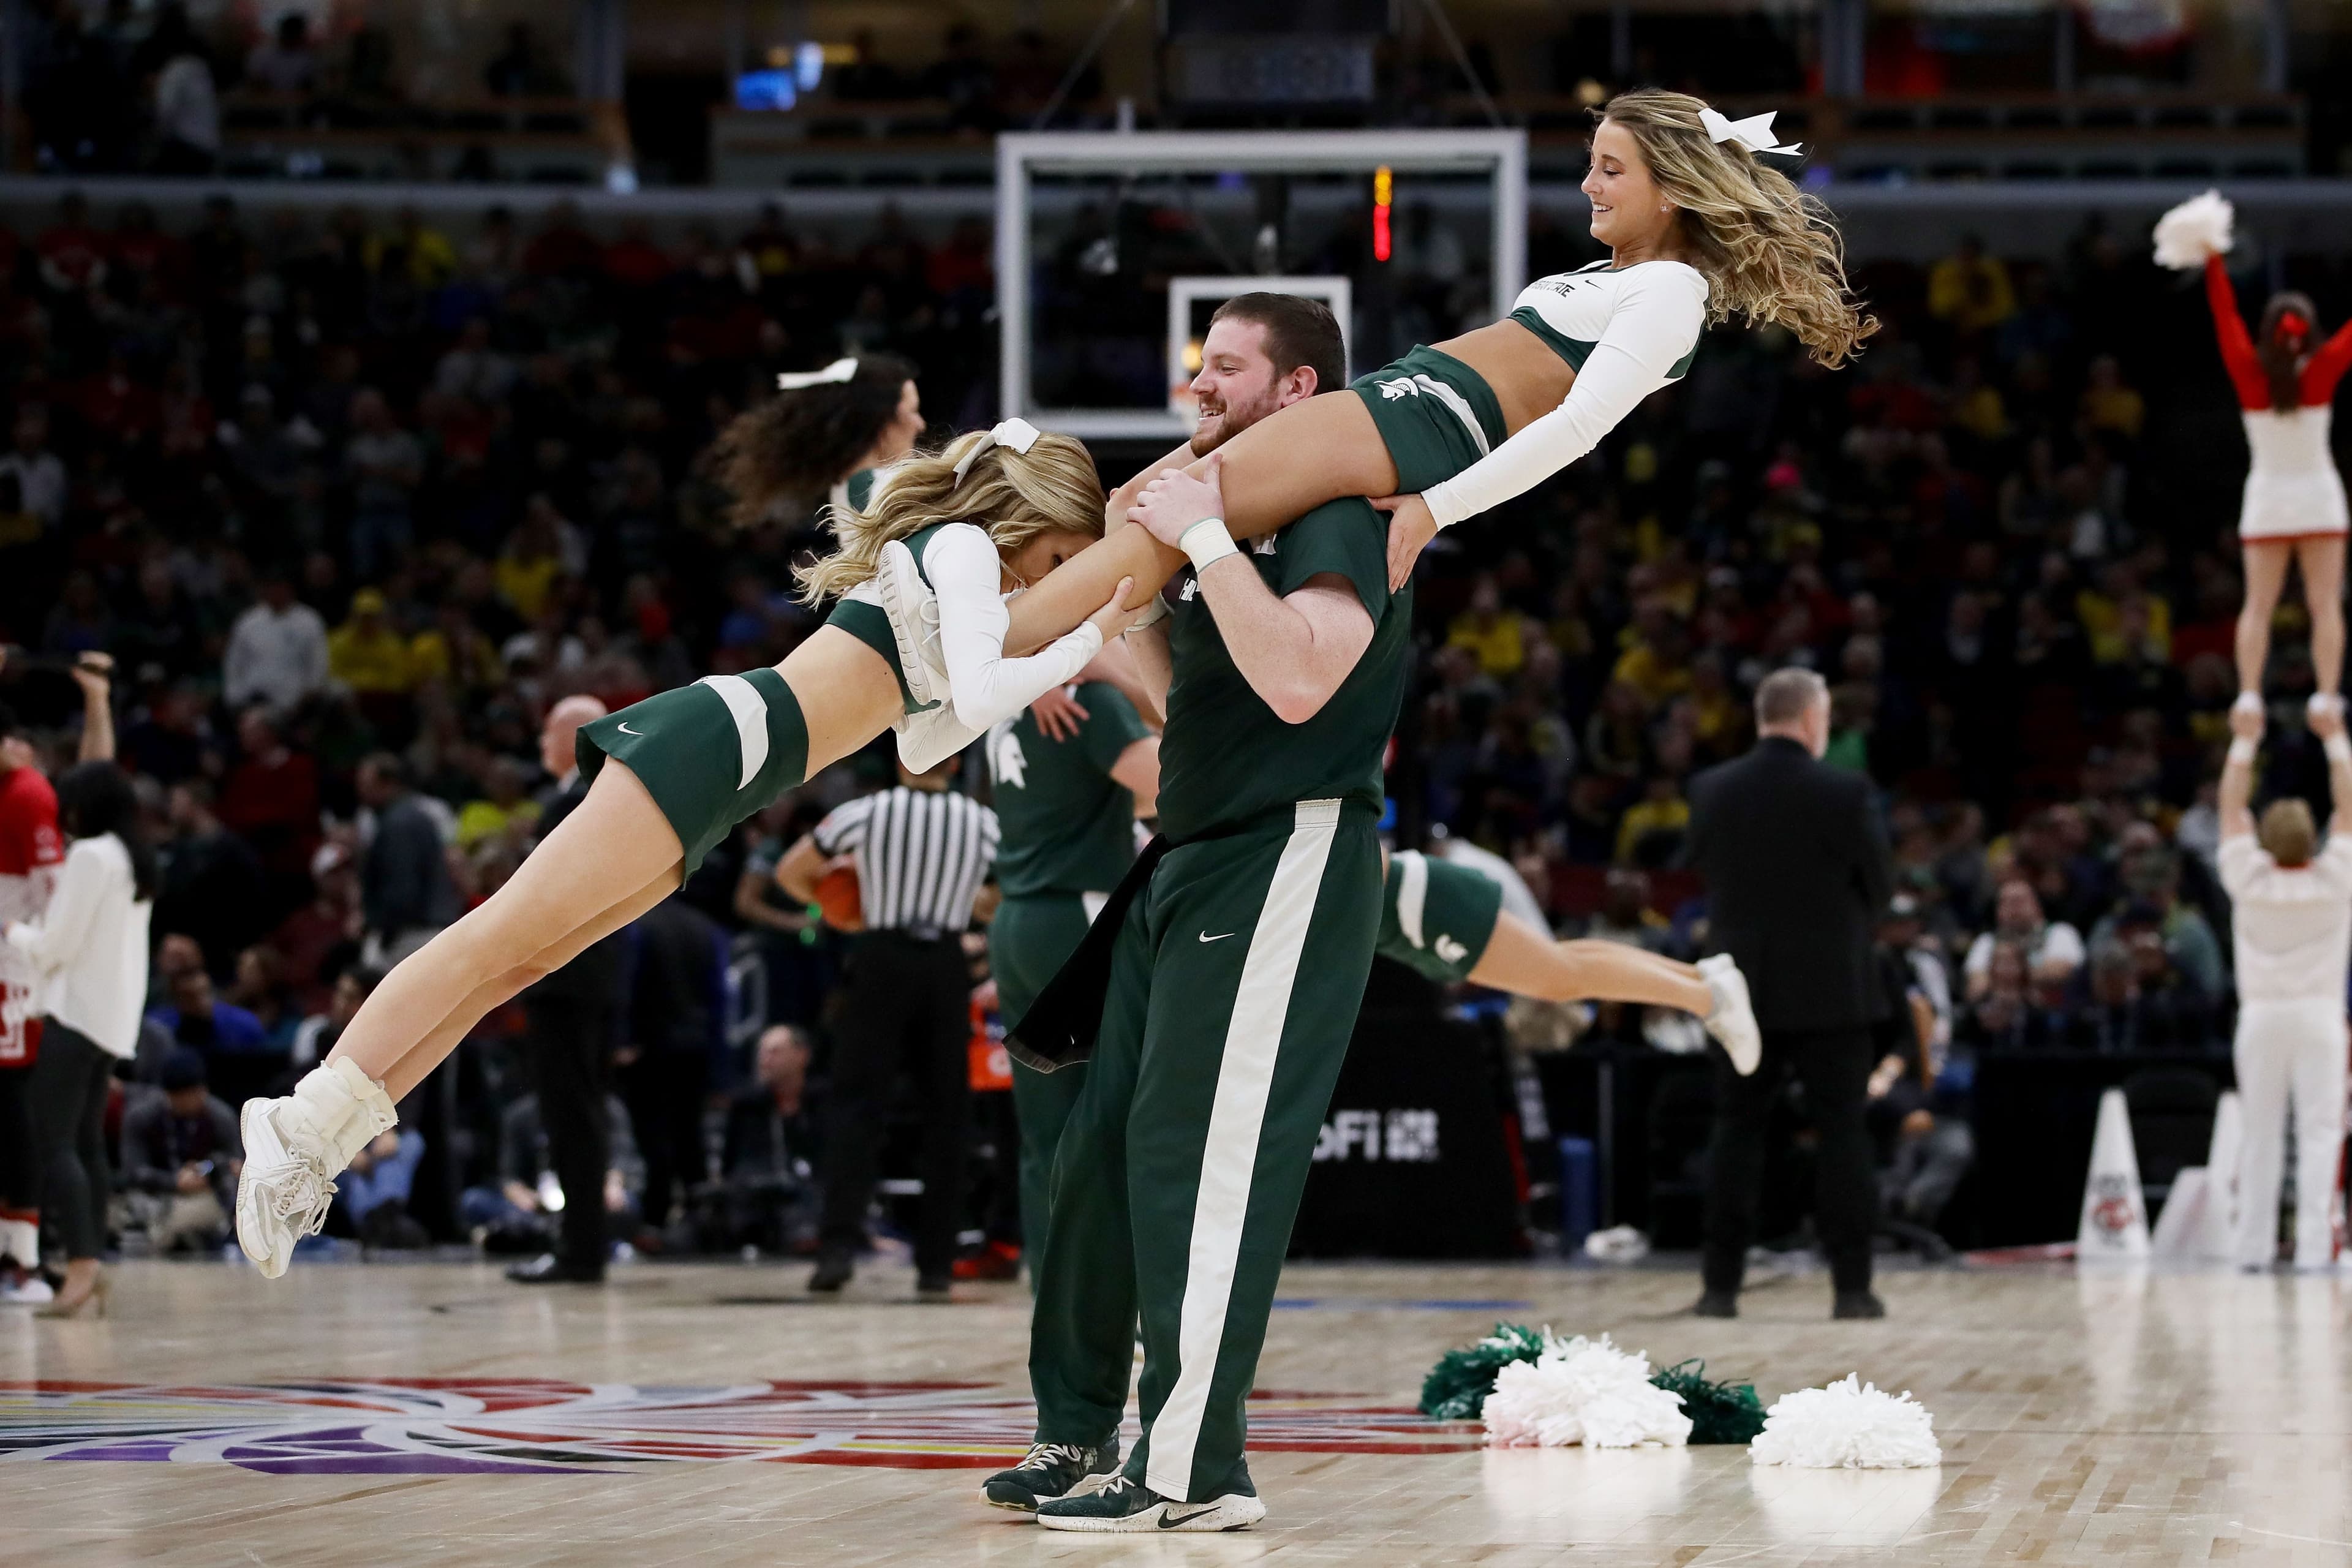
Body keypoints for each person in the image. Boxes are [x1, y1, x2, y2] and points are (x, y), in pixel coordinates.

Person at [234, 362, 1133, 1279]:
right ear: (1030, 515)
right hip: (717, 746)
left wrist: (1042, 642)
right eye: (1061, 559)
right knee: (493, 938)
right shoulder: (967, 548)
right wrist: (1089, 638)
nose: (1054, 580)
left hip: (731, 776)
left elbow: (926, 742)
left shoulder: (958, 565)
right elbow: (983, 692)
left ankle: (326, 1144)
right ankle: (295, 1122)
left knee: (517, 966)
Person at [984, 317, 1417, 1533]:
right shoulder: (1244, 525)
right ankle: (1076, 1429)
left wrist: (1203, 536)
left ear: (1298, 386)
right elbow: (1204, 705)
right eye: (1196, 361)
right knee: (1095, 1156)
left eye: (1225, 364)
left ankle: (1194, 1463)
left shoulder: (1338, 506)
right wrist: (1109, 639)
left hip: (1287, 850)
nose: (1197, 382)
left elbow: (1298, 679)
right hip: (1188, 852)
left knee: (1195, 1163)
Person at [987, 88, 1873, 661]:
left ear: (1671, 189)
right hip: (1399, 400)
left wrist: (1436, 508)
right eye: (1591, 166)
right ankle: (1049, 648)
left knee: (1158, 527)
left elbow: (1576, 431)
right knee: (1128, 504)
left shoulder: (1671, 289)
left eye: (1610, 170)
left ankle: (974, 648)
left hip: (1423, 428)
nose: (1589, 187)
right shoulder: (1614, 277)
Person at [1683, 668, 1893, 1321]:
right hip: (1833, 988)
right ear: (1811, 719)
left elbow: (1701, 867)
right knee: (1843, 1135)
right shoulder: (1846, 790)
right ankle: (1853, 1289)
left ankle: (1720, 1288)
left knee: (1737, 1131)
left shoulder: (1711, 789)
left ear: (1761, 717)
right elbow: (1880, 889)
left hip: (1741, 986)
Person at [777, 752, 1000, 1295]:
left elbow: (790, 873)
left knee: (856, 1106)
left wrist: (834, 909)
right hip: (945, 963)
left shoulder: (866, 811)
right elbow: (999, 900)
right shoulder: (984, 822)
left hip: (879, 958)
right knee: (947, 1114)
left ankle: (836, 1252)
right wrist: (968, 915)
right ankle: (936, 1265)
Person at [984, 652, 1161, 1273]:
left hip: (1018, 921)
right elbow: (1179, 781)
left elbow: (1102, 799)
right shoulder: (1093, 701)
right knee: (1112, 1117)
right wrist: (1122, 679)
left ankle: (1052, 1296)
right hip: (1079, 914)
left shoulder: (1005, 709)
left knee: (1045, 1132)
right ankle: (1110, 1303)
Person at [2176, 206, 2352, 717]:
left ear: (2268, 329)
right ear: (2310, 329)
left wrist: (2213, 261)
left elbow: (2224, 316)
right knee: (2326, 606)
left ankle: (2249, 692)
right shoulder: (2321, 369)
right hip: (2319, 494)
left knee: (2258, 605)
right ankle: (2327, 693)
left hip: (2270, 496)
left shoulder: (2250, 372)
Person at [1376, 843, 1756, 1063]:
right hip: (1412, 905)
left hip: (1416, 904)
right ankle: (1702, 978)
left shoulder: (1331, 816)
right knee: (1563, 966)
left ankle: (1710, 999)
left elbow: (1363, 852)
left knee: (1558, 979)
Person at [8, 761, 156, 1317]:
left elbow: (55, 947)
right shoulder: (135, 862)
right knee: (88, 1144)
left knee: (57, 1143)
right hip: (113, 1018)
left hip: (75, 1015)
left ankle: (79, 1268)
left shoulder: (91, 857)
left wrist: (12, 931)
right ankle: (91, 1265)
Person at [2217, 700, 2352, 1270]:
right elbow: (2348, 806)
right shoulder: (2335, 878)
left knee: (2261, 1132)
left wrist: (2244, 743)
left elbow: (2228, 809)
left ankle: (2252, 1247)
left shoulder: (2247, 878)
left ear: (2266, 840)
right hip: (2319, 1016)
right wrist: (2337, 738)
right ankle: (2316, 1250)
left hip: (2262, 1017)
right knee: (2321, 1134)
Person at [503, 696, 630, 1285]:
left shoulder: (571, 800)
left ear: (571, 735)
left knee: (572, 1116)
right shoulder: (610, 799)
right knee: (585, 1114)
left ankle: (580, 1251)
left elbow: (544, 899)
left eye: (546, 735)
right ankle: (585, 1245)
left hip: (564, 978)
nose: (540, 748)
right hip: (594, 978)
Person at [120, 1047, 241, 1254]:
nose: (190, 1101)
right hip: (154, 1196)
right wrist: (174, 1181)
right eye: (182, 1096)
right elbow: (134, 1171)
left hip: (206, 1195)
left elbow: (236, 1162)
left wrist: (211, 1173)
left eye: (195, 1094)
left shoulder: (221, 1117)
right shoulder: (142, 1117)